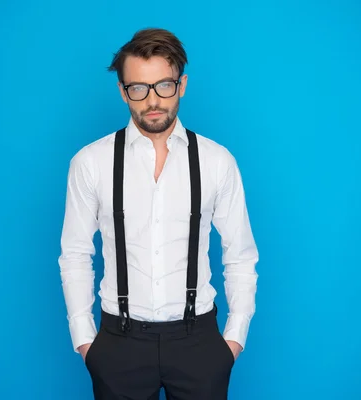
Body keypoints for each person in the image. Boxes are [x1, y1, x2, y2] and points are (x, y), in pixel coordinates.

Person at [58, 27, 259, 400]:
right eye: (138, 88)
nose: (153, 100)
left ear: (181, 85)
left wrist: (233, 340)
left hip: (198, 342)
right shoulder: (91, 162)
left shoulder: (217, 161)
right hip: (119, 344)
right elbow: (74, 255)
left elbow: (241, 256)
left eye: (164, 85)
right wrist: (86, 341)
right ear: (123, 91)